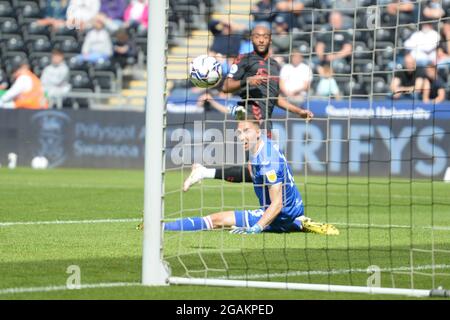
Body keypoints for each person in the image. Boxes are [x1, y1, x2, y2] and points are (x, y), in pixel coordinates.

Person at [183, 24, 313, 187]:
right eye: (257, 36)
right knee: (269, 170)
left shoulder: (274, 65)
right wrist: (247, 81)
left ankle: (204, 172)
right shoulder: (243, 59)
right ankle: (283, 210)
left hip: (265, 120)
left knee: (263, 172)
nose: (261, 39)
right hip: (251, 119)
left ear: (270, 39)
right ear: (252, 38)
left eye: (265, 36)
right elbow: (226, 86)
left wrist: (298, 111)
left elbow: (273, 97)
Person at [164, 116, 339, 235]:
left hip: (279, 214)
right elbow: (251, 175)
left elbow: (277, 204)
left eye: (246, 131)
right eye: (239, 133)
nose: (241, 137)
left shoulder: (267, 161)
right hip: (291, 210)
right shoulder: (260, 148)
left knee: (216, 220)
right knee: (251, 174)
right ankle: (299, 222)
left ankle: (163, 227)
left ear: (258, 132)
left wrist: (257, 227)